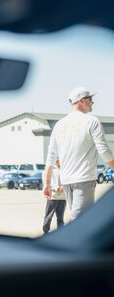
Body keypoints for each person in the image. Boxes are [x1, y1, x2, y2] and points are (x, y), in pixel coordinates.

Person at [44, 87, 114, 220]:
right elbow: (104, 150)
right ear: (82, 101)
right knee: (80, 219)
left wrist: (47, 183)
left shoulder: (59, 125)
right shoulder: (91, 121)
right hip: (84, 178)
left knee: (79, 216)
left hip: (66, 181)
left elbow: (51, 157)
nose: (92, 102)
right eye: (90, 99)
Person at [43, 159, 66, 234]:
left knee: (60, 217)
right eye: (56, 158)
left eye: (58, 158)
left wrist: (63, 187)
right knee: (49, 216)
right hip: (52, 196)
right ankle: (46, 231)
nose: (57, 159)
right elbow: (47, 182)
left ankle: (61, 232)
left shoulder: (64, 168)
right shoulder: (49, 168)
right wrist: (57, 188)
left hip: (62, 197)